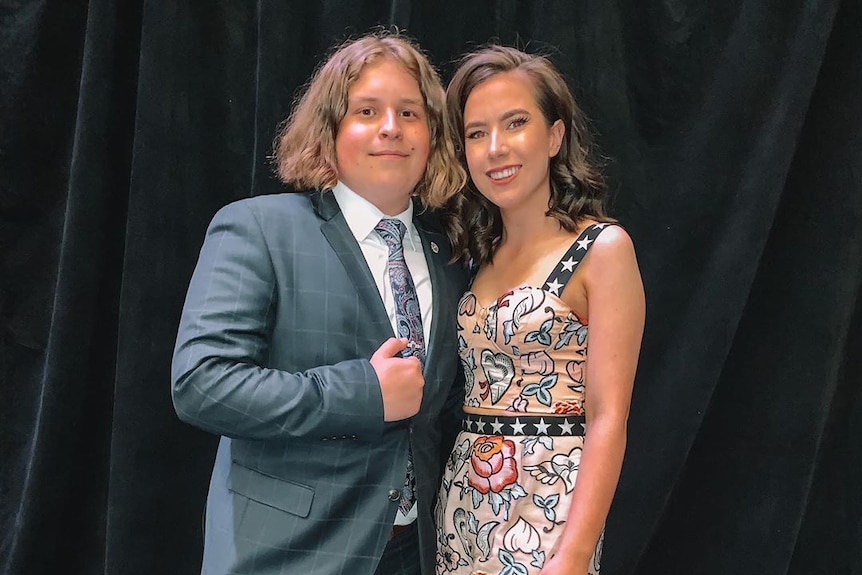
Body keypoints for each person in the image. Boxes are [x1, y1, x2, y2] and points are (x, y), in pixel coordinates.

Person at [171, 31, 467, 575]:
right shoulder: (259, 227)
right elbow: (201, 384)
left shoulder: (447, 256)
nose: (390, 129)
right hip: (288, 554)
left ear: (433, 136)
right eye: (366, 111)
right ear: (330, 130)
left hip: (414, 553)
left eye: (410, 113)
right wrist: (363, 393)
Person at [434, 46, 645, 575]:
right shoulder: (478, 257)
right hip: (464, 506)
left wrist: (573, 554)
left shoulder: (602, 249)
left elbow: (608, 418)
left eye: (515, 123)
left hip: (548, 510)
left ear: (554, 135)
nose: (495, 148)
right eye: (476, 133)